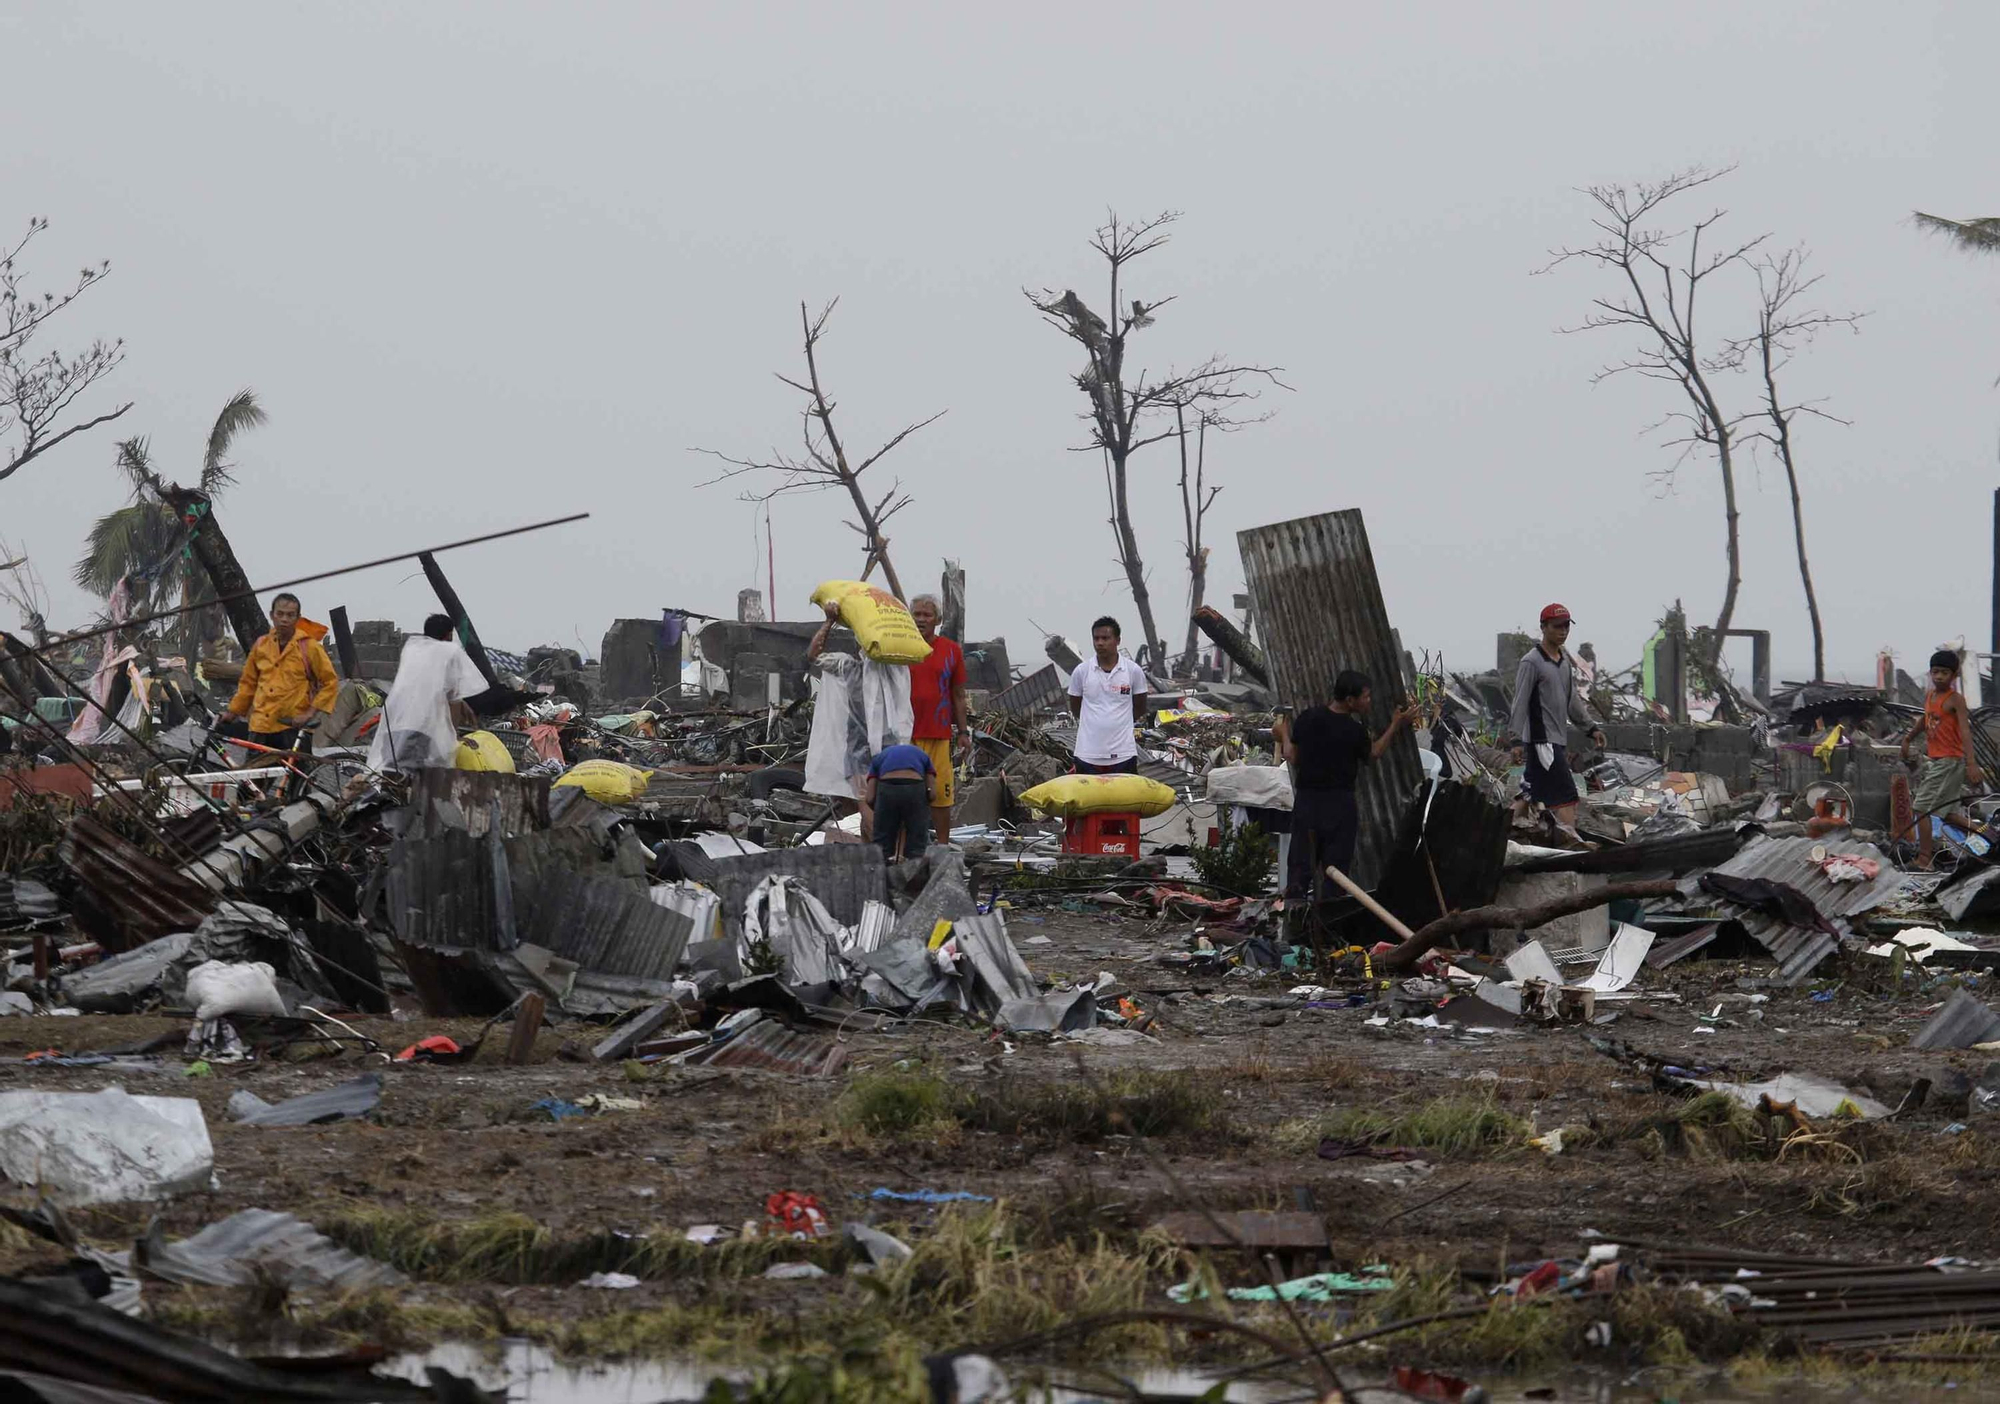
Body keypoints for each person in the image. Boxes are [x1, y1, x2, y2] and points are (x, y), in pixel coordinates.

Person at [1284, 670, 1418, 899]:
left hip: (1307, 803)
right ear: (1350, 700)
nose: (1369, 701)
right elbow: (1374, 754)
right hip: (1339, 806)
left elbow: (1292, 756)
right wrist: (1395, 725)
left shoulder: (1308, 718)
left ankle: (1292, 917)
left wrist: (1283, 734)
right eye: (1366, 697)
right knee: (1335, 874)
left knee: (1299, 870)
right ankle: (1329, 919)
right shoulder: (1354, 731)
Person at [1507, 603, 1607, 836]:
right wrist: (1515, 740)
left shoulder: (1563, 662)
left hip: (1557, 740)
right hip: (1542, 741)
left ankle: (1499, 831)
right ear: (1543, 627)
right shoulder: (1531, 662)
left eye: (1566, 626)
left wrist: (1591, 728)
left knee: (1529, 793)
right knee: (1566, 796)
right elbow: (1520, 702)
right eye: (1557, 626)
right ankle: (1570, 843)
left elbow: (1571, 700)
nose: (1563, 631)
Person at [222, 593, 337, 763]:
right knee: (254, 778)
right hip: (261, 726)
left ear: (298, 618)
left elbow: (330, 682)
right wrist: (232, 712)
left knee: (295, 778)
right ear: (272, 615)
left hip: (292, 727)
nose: (284, 619)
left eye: (290, 615)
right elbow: (248, 684)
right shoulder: (261, 645)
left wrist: (309, 714)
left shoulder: (309, 647)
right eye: (280, 614)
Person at [1901, 648, 1986, 868]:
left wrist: (1971, 763)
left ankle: (1924, 860)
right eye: (1935, 672)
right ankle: (1990, 834)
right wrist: (1908, 738)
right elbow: (1925, 720)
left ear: (1954, 675)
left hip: (1950, 761)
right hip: (1938, 761)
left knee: (1921, 808)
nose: (1939, 676)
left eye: (1944, 673)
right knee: (1948, 814)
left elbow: (1965, 731)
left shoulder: (1955, 700)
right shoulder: (1930, 696)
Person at [367, 614, 483, 773]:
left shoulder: (413, 648)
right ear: (449, 634)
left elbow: (424, 686)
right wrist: (453, 737)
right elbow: (453, 700)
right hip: (422, 730)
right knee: (419, 777)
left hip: (394, 723)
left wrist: (462, 703)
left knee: (390, 774)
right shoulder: (450, 652)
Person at [907, 593, 970, 842]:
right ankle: (903, 850)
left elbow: (958, 695)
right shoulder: (899, 647)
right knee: (904, 792)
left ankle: (942, 846)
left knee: (941, 795)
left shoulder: (951, 650)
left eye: (927, 615)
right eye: (917, 614)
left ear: (938, 619)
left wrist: (963, 732)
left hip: (938, 734)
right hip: (905, 735)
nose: (921, 619)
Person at [1066, 616, 1150, 774]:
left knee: (1124, 791)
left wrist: (1118, 722)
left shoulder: (1133, 671)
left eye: (1105, 638)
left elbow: (1140, 707)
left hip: (1124, 754)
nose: (1100, 643)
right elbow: (1076, 708)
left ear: (1118, 640)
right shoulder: (1081, 671)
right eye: (1096, 638)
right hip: (1087, 754)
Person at [862, 740, 936, 860]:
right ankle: (914, 867)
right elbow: (932, 794)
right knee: (917, 843)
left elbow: (869, 798)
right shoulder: (923, 755)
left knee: (882, 844)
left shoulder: (879, 758)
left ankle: (882, 868)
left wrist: (881, 812)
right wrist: (921, 808)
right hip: (915, 787)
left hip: (887, 787)